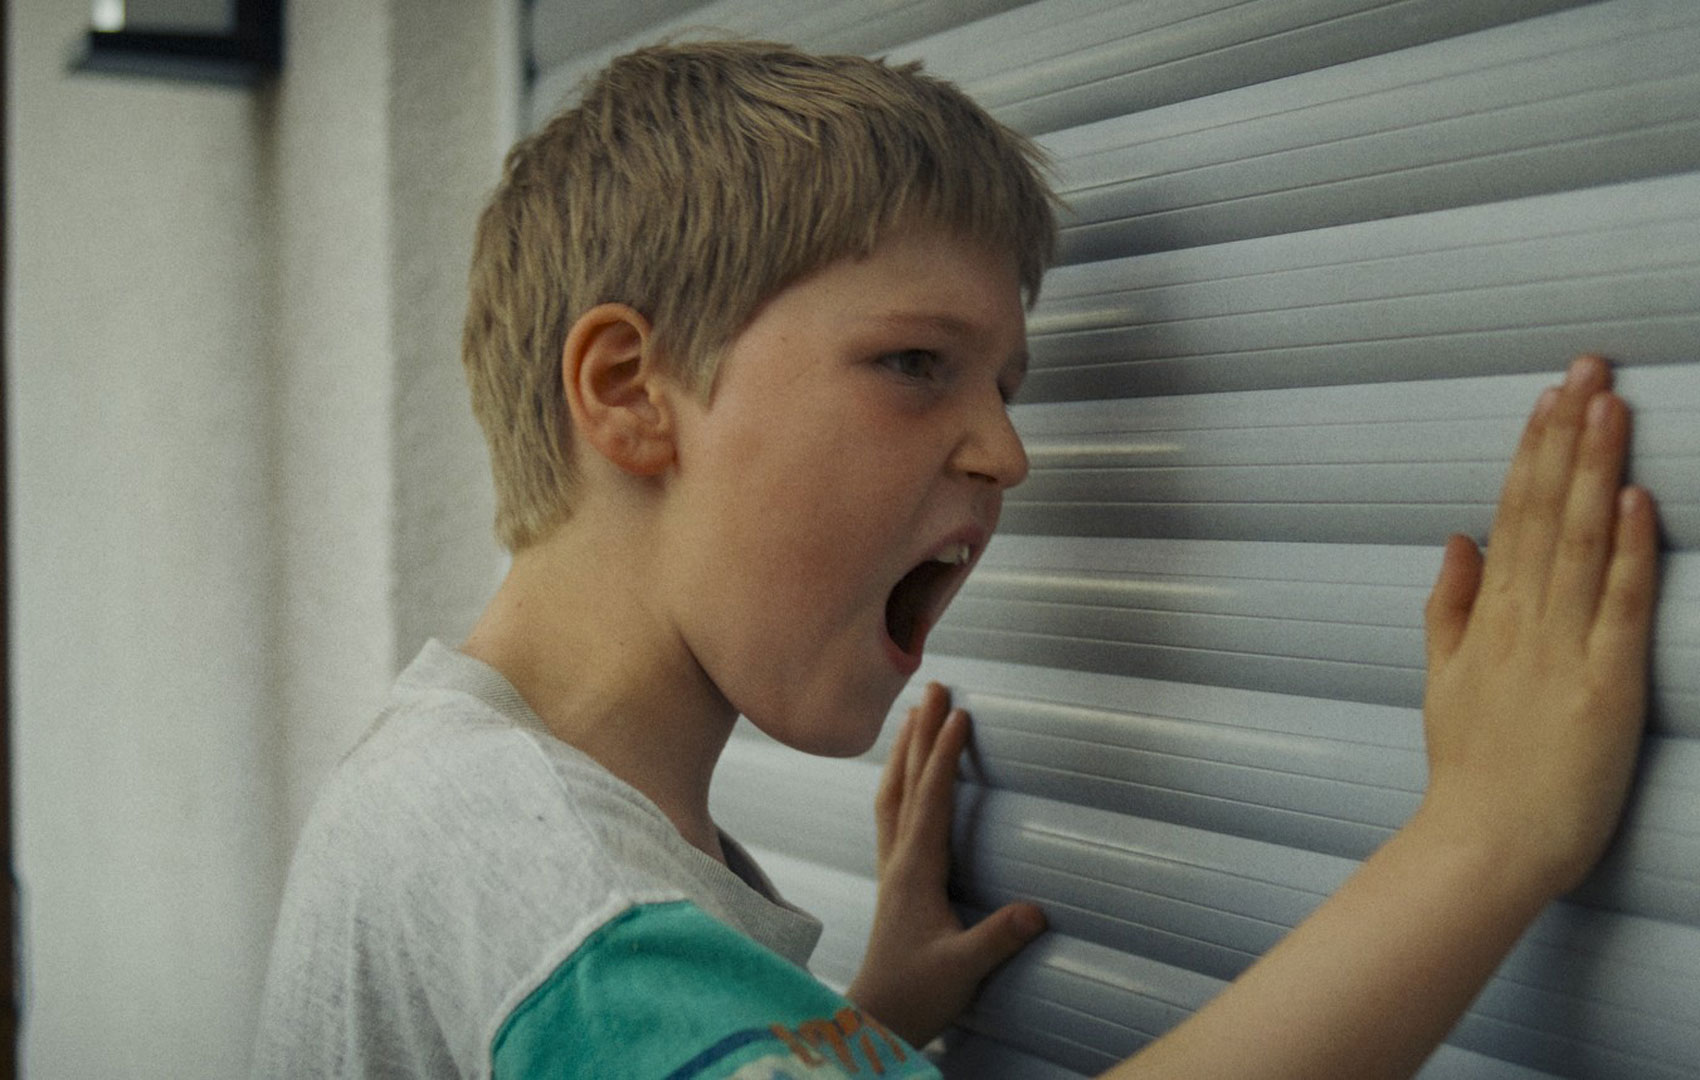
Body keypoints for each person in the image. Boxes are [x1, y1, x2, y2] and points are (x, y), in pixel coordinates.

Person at [250, 40, 1661, 1080]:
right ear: (629, 391)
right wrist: (1486, 838)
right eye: (916, 364)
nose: (1006, 451)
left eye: (1010, 386)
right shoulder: (552, 896)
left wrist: (855, 1024)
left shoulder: (462, 800)